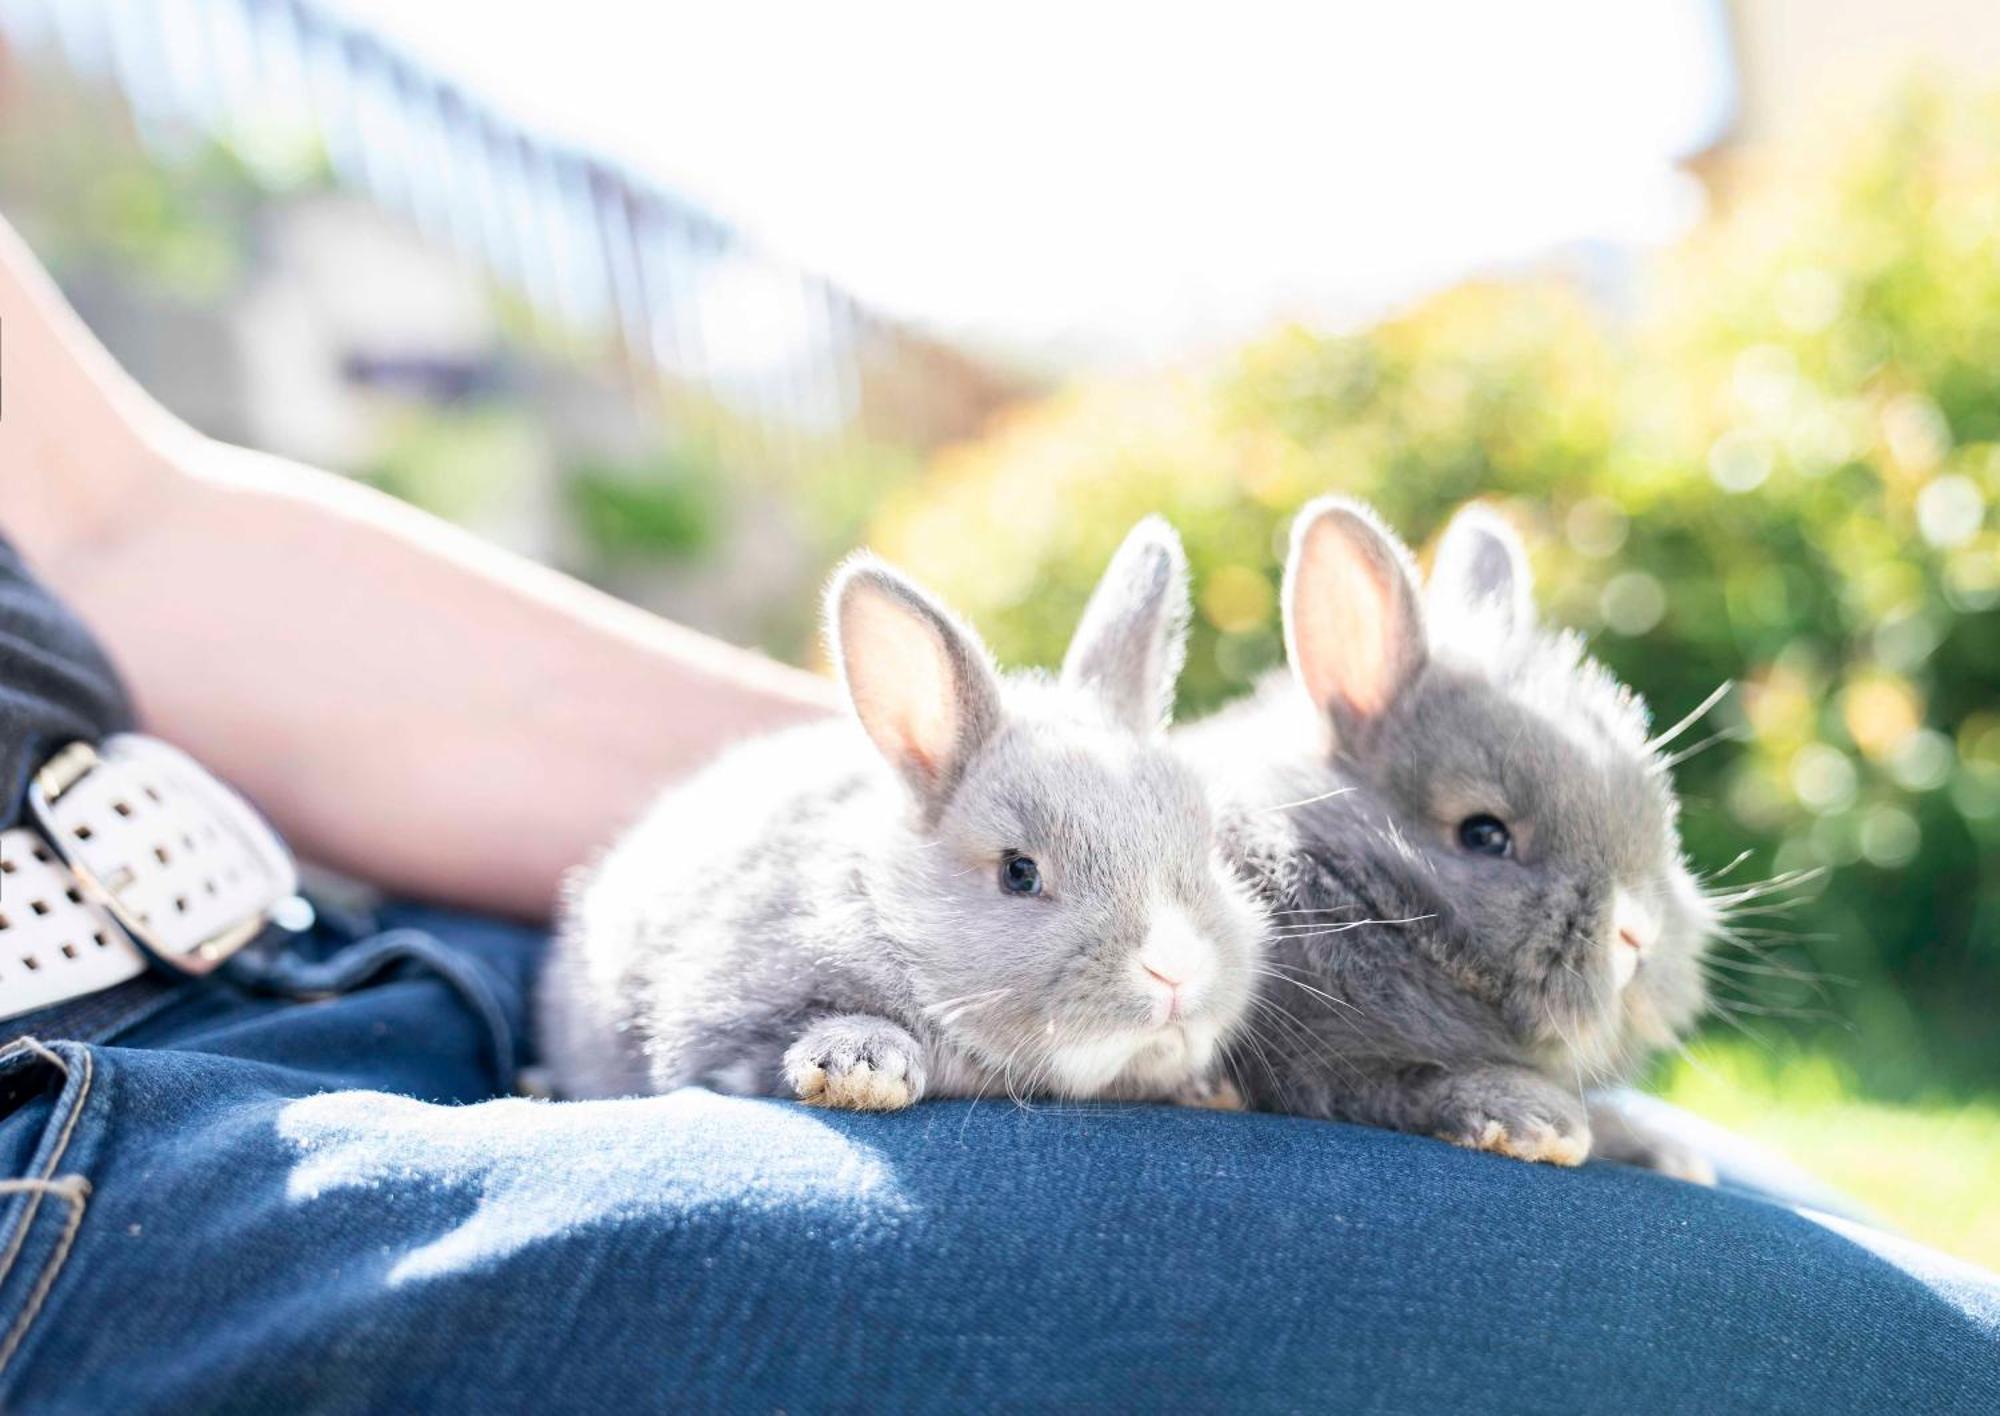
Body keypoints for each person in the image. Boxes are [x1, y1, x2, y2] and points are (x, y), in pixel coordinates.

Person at [0, 214, 1994, 1415]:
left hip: (337, 961)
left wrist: (1143, 825)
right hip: (100, 1158)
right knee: (1807, 1349)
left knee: (1777, 1221)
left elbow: (123, 529)